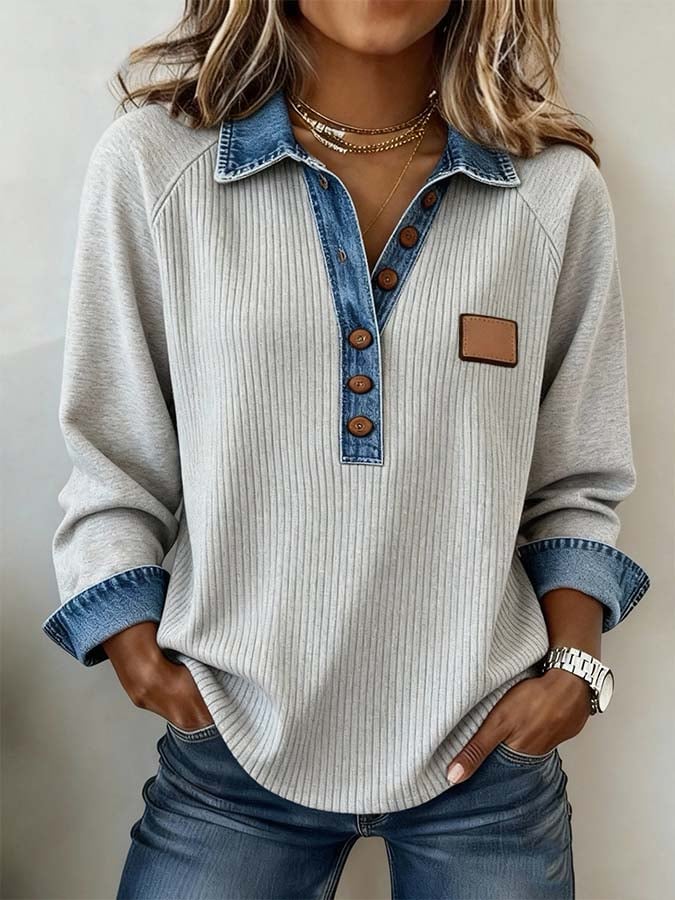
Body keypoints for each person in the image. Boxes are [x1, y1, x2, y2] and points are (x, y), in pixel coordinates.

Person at [41, 1, 651, 898]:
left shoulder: (552, 192)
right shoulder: (156, 165)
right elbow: (112, 454)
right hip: (231, 755)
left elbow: (575, 481)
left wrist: (573, 674)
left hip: (489, 762)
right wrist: (137, 652)